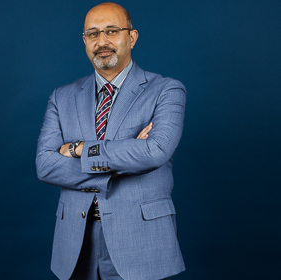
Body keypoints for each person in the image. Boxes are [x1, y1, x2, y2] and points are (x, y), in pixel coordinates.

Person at [36, 2, 186, 280]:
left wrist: (77, 149)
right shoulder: (61, 97)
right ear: (84, 41)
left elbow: (155, 151)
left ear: (132, 37)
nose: (101, 41)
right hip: (76, 243)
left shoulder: (166, 90)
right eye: (92, 34)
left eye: (111, 31)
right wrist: (119, 164)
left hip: (141, 240)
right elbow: (45, 165)